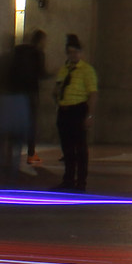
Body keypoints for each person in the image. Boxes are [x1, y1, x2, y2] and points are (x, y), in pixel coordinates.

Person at [53, 35, 98, 193]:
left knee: (80, 148)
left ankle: (81, 182)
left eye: (75, 52)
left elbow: (93, 93)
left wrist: (90, 115)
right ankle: (68, 179)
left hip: (78, 109)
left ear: (80, 53)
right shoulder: (64, 69)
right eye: (70, 52)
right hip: (64, 110)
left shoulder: (87, 70)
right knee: (67, 148)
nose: (73, 55)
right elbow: (58, 87)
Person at [5, 29, 47, 173]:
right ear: (40, 41)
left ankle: (10, 154)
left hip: (15, 92)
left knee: (15, 123)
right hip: (30, 93)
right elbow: (41, 73)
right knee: (31, 124)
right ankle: (31, 154)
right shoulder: (38, 53)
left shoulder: (18, 51)